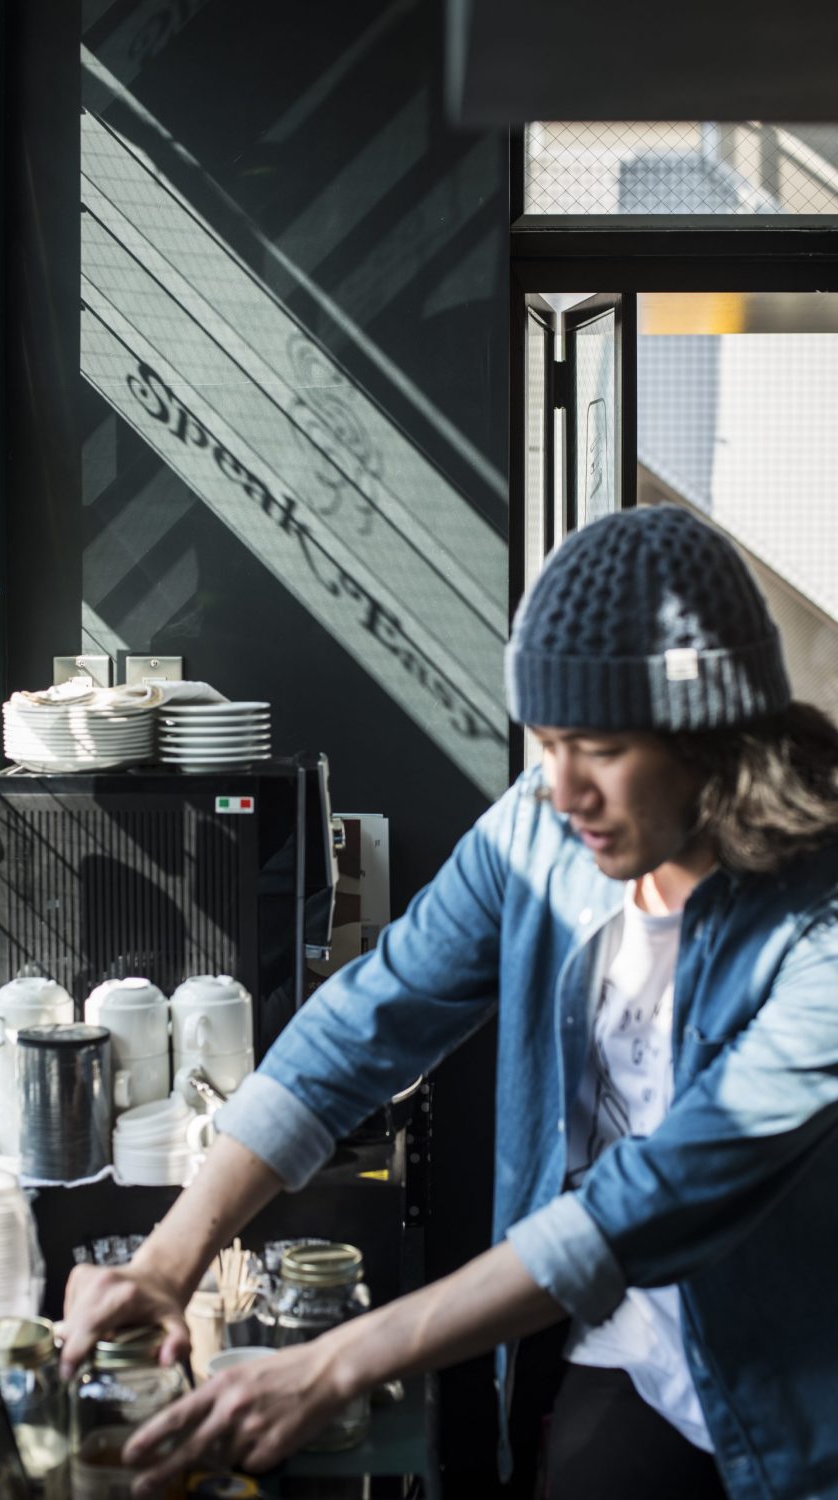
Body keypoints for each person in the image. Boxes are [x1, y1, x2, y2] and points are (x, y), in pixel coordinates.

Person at [61, 504, 838, 1500]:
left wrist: (339, 1360)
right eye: (544, 742)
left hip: (795, 1400)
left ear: (709, 736)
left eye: (596, 747)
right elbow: (366, 1021)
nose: (559, 790)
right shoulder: (539, 834)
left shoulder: (817, 928)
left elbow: (654, 1199)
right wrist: (167, 1260)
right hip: (623, 1353)